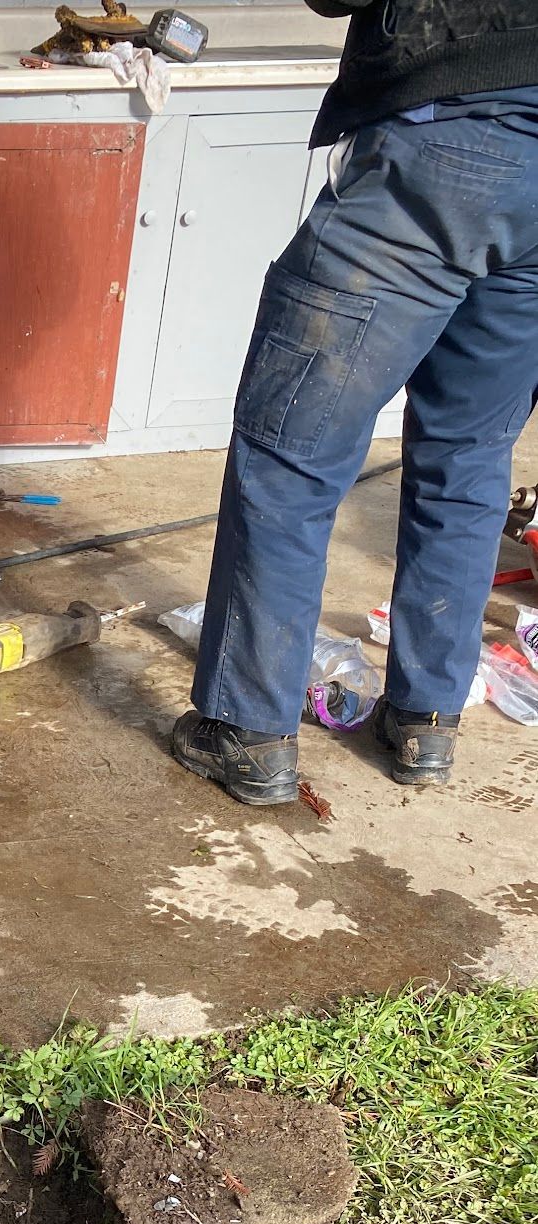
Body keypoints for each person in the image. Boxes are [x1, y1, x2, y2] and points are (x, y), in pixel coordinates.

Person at [171, 0, 538, 806]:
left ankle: (248, 730)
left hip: (445, 140)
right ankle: (426, 722)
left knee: (290, 454)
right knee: (471, 454)